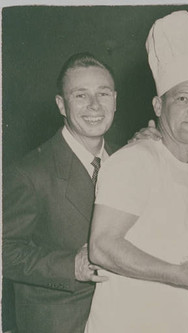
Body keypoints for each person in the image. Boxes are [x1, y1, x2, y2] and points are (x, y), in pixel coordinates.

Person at [84, 11, 188, 333]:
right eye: (183, 98)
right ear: (158, 106)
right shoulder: (134, 162)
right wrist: (178, 273)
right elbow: (101, 247)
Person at [3, 52, 117, 333]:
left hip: (119, 317)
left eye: (103, 94)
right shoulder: (29, 172)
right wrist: (70, 267)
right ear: (61, 105)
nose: (94, 105)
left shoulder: (127, 163)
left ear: (115, 99)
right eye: (80, 95)